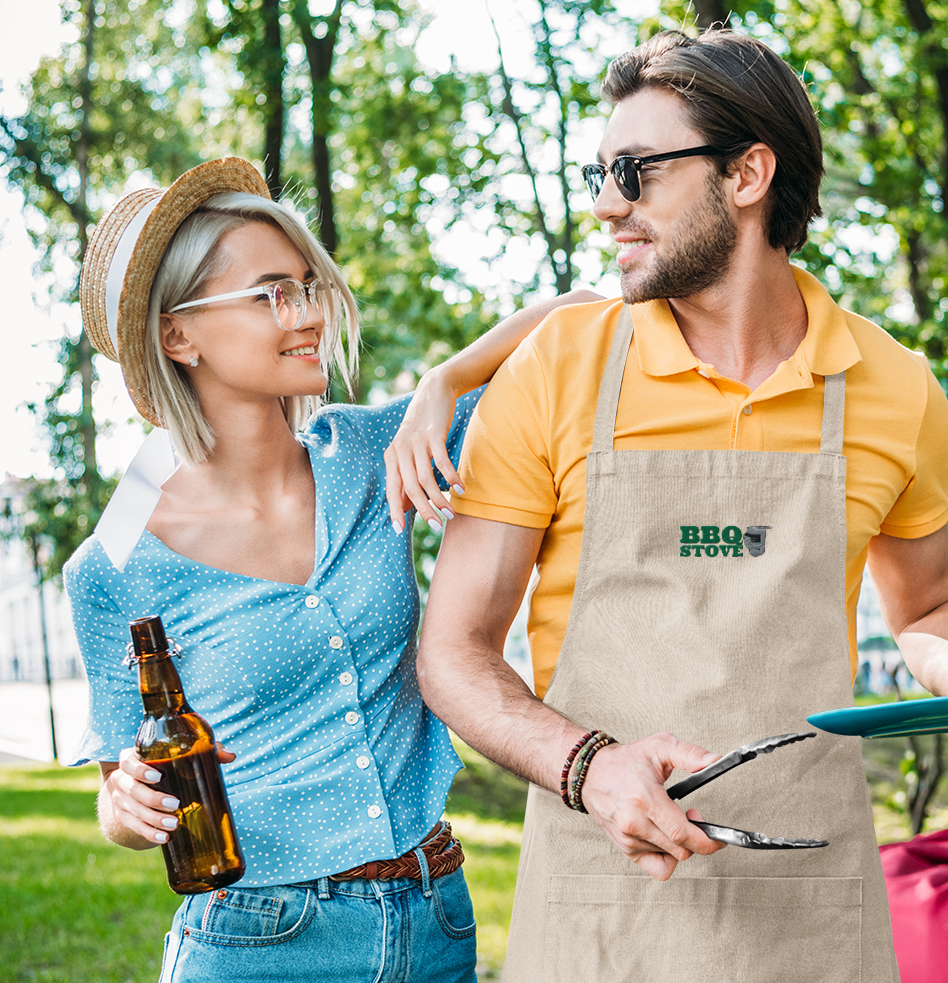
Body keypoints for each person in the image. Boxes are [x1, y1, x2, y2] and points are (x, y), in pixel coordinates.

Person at [418, 29, 948, 981]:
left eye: (635, 171)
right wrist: (590, 766)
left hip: (809, 911)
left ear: (747, 175)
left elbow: (931, 603)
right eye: (598, 171)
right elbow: (453, 650)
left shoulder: (894, 388)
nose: (606, 203)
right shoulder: (557, 371)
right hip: (605, 898)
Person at [65, 157, 593, 983]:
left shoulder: (373, 451)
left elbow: (581, 312)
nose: (307, 313)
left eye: (308, 286)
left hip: (435, 918)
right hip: (255, 940)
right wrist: (125, 803)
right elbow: (120, 797)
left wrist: (444, 377)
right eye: (271, 293)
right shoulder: (113, 568)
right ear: (179, 334)